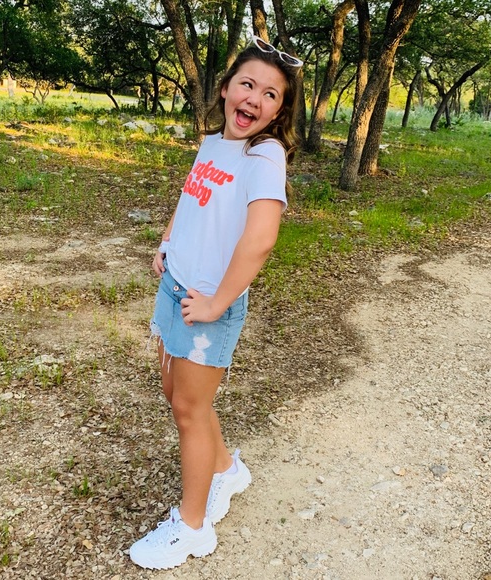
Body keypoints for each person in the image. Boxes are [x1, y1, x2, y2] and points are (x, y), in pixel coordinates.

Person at [129, 35, 303, 570]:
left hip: (207, 304)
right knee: (177, 395)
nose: (255, 99)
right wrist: (167, 241)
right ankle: (225, 469)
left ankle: (192, 527)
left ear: (279, 111)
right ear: (226, 89)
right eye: (247, 85)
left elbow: (261, 238)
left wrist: (216, 304)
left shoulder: (264, 156)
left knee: (189, 409)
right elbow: (191, 198)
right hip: (176, 287)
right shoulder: (212, 143)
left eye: (270, 94)